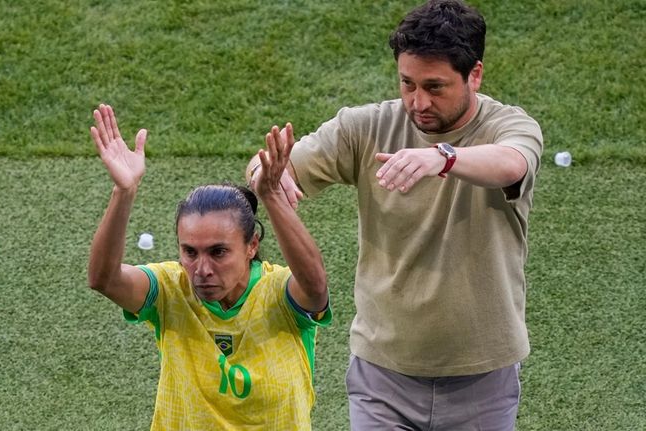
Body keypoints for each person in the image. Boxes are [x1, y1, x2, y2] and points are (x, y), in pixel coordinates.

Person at [246, 0, 543, 429]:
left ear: (474, 74)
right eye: (408, 83)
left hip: (482, 378)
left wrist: (443, 158)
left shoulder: (510, 127)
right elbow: (268, 165)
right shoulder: (365, 127)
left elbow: (512, 163)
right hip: (382, 377)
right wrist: (269, 176)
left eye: (434, 87)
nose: (417, 101)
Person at [87, 104, 331, 430]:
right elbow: (104, 279)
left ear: (251, 246)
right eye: (190, 252)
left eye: (218, 252)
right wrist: (124, 191)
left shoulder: (279, 293)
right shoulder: (170, 290)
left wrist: (271, 196)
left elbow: (315, 289)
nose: (201, 269)